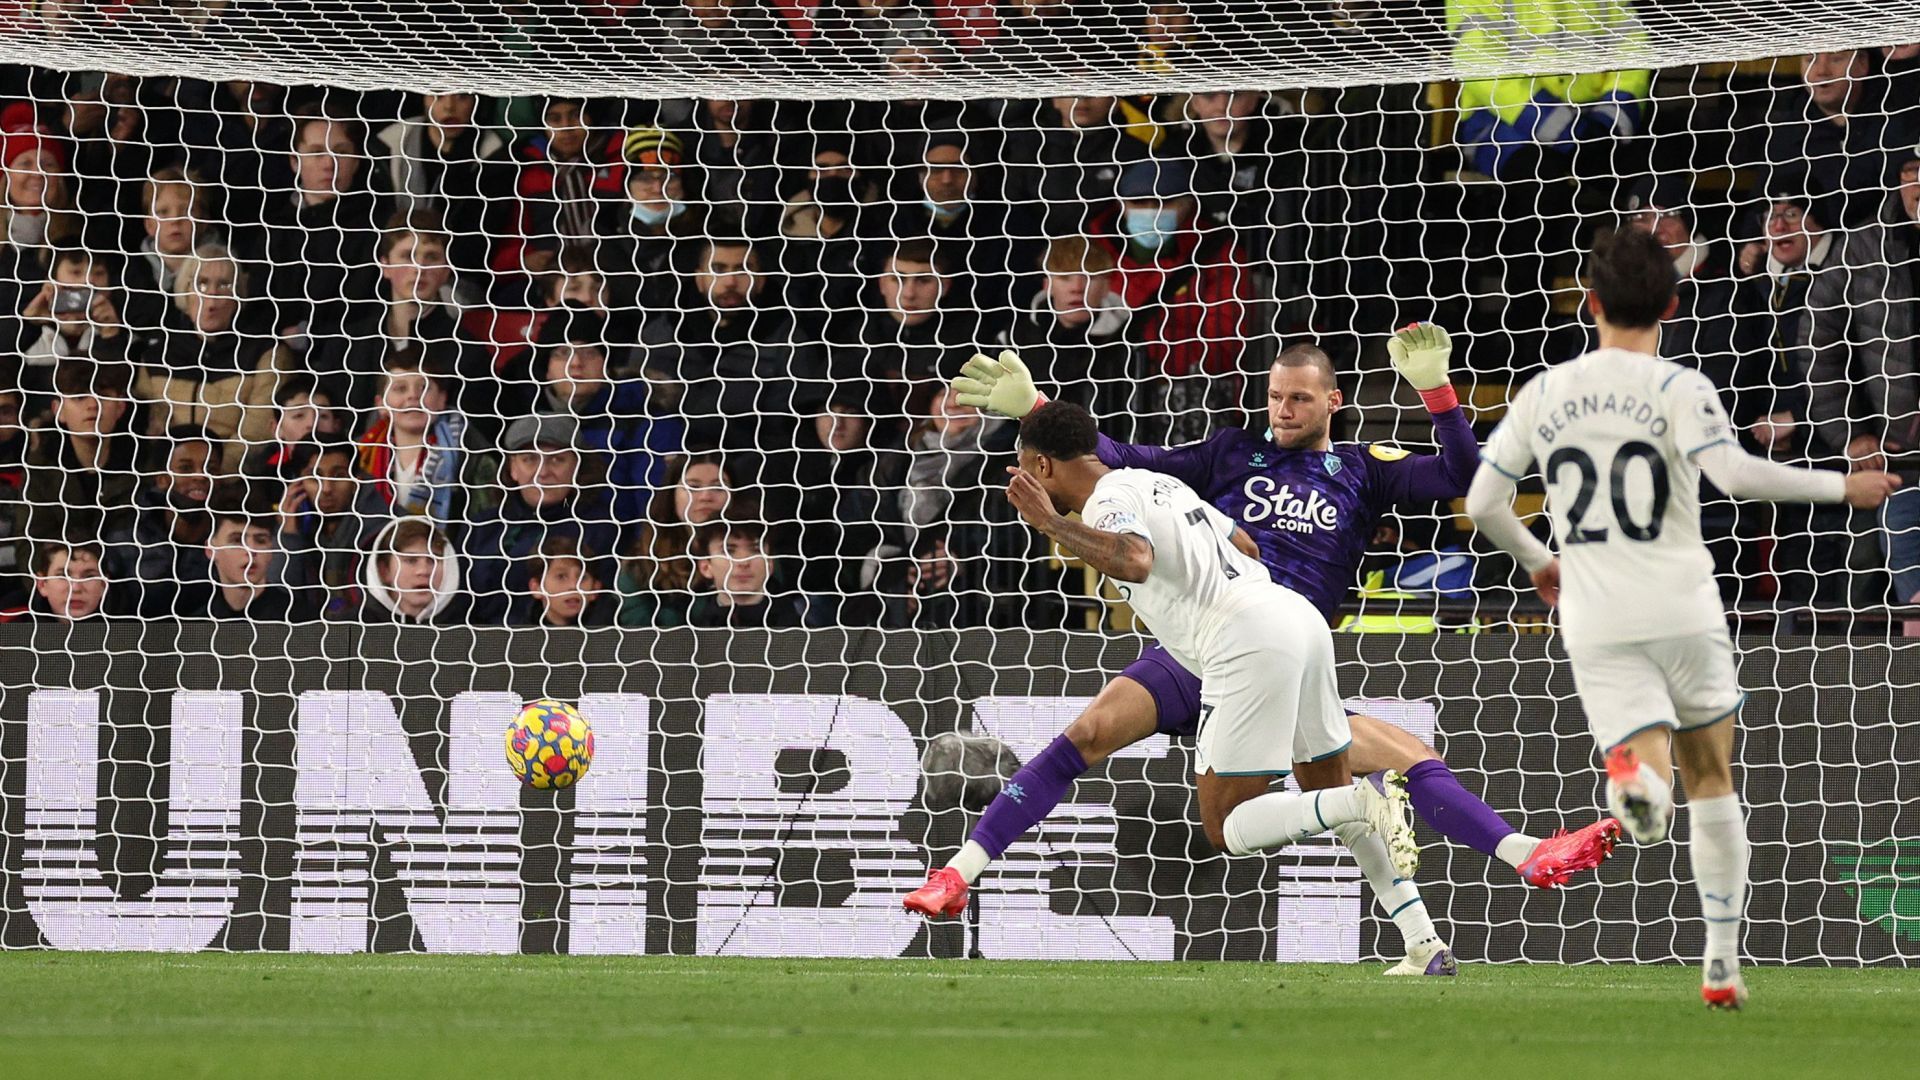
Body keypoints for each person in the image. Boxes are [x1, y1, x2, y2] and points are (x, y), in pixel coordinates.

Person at [905, 331, 1621, 940]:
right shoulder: (1228, 454)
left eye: (1300, 399)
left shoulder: (1365, 471)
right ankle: (957, 874)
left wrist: (1437, 393)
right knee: (1087, 735)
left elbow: (1467, 476)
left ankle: (1507, 863)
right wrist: (1036, 411)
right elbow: (1119, 463)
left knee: (1385, 766)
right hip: (1196, 650)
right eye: (1277, 396)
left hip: (1271, 661)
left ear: (1332, 403)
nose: (1283, 409)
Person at [1465, 228, 1903, 1009]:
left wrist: (1539, 562)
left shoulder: (1543, 393)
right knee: (1713, 778)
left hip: (1594, 613)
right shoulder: (1681, 387)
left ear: (1589, 301)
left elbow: (1484, 503)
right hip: (1681, 604)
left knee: (1652, 776)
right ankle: (1721, 963)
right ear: (1671, 302)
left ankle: (1639, 789)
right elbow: (1734, 477)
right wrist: (1844, 488)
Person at [927, 399, 1429, 966]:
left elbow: (1136, 560)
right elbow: (1246, 543)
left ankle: (1363, 801)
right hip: (1298, 622)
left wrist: (1051, 523)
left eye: (1025, 466)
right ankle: (1422, 942)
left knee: (1229, 827)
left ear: (1041, 468)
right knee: (1322, 790)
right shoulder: (1156, 482)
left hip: (1244, 642)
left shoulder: (1109, 499)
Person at [462, 413, 618, 625]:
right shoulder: (481, 527)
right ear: (512, 468)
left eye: (557, 459)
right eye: (530, 459)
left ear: (577, 468)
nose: (543, 472)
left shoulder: (599, 529)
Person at [352, 355, 466, 524]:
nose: (413, 396)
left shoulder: (470, 455)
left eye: (424, 388)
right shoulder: (357, 455)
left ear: (442, 399)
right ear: (381, 404)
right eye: (400, 389)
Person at [278, 442, 366, 620]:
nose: (326, 488)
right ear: (298, 485)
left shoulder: (380, 530)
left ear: (356, 482)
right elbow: (279, 601)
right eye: (314, 477)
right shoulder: (293, 529)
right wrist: (288, 536)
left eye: (339, 476)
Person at [338, 515, 473, 625]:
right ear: (384, 571)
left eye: (433, 560)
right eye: (411, 560)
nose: (424, 571)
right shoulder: (347, 629)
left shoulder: (469, 629)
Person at [199, 503, 313, 620]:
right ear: (210, 550)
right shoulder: (196, 627)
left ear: (271, 550)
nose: (251, 550)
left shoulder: (302, 621)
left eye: (260, 541)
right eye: (237, 540)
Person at [686, 521, 802, 628]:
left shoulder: (801, 633)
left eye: (755, 549)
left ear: (770, 565)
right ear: (705, 567)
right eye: (728, 550)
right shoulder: (689, 636)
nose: (744, 561)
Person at [505, 535, 617, 628]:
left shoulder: (614, 634)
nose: (574, 586)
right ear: (536, 587)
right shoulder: (519, 636)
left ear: (595, 589)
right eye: (561, 576)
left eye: (582, 578)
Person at [14, 538, 112, 621]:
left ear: (104, 584)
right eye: (63, 576)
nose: (76, 588)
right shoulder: (12, 629)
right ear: (42, 584)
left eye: (89, 576)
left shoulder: (124, 632)